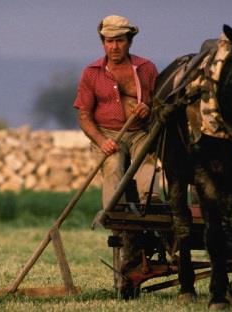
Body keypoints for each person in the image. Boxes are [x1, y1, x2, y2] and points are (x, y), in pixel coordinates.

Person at [73, 14, 160, 298]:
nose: (114, 47)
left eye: (119, 41)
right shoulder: (91, 73)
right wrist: (100, 140)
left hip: (139, 133)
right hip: (107, 136)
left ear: (129, 41)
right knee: (113, 166)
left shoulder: (146, 68)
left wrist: (148, 109)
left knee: (147, 168)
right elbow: (84, 116)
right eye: (109, 41)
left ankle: (155, 212)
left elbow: (161, 106)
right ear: (103, 43)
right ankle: (117, 215)